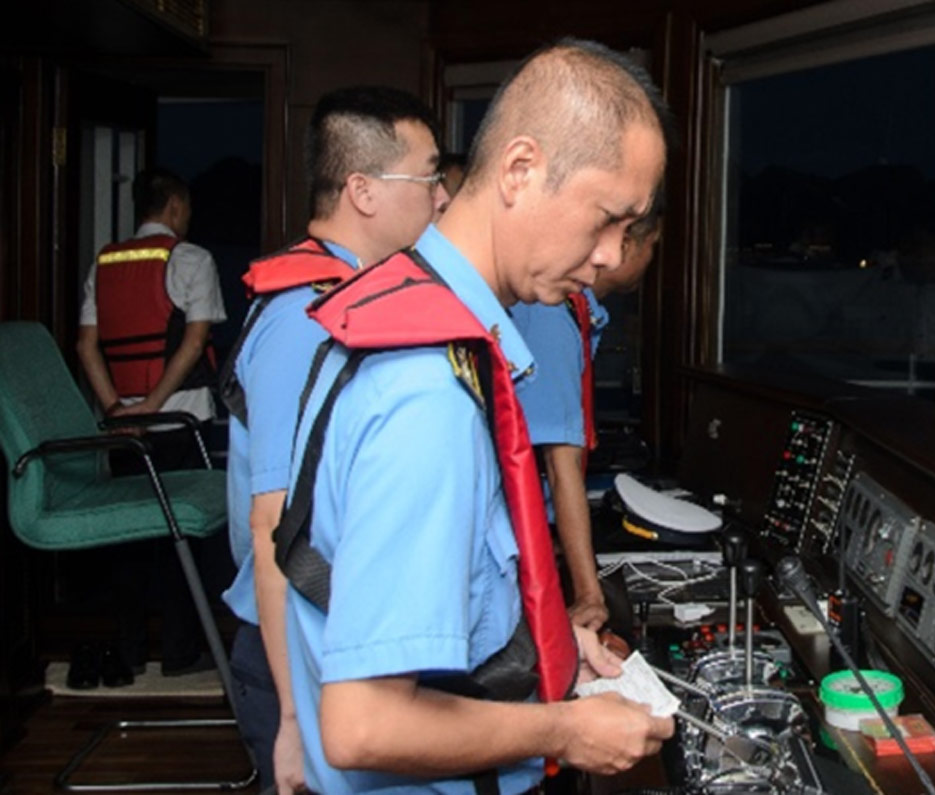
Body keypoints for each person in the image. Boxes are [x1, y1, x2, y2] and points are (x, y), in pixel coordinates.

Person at [281, 39, 673, 793]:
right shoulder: (426, 394)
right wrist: (566, 729)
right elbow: (365, 723)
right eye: (607, 219)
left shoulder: (400, 315)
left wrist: (549, 650)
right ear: (521, 170)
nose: (610, 255)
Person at [222, 86, 448, 793]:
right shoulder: (305, 319)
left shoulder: (346, 299)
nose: (443, 198)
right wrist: (296, 717)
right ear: (363, 190)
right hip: (293, 650)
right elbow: (271, 528)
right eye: (431, 176)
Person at [74, 167, 226, 686]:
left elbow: (85, 346)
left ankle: (132, 651)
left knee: (132, 542)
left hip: (123, 432)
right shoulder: (192, 259)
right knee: (189, 533)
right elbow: (196, 339)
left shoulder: (104, 264)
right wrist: (155, 404)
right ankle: (181, 653)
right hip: (179, 419)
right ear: (177, 207)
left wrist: (117, 407)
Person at [509, 200, 663, 630]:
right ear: (626, 244)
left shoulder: (577, 314)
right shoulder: (551, 318)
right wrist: (590, 595)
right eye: (652, 246)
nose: (651, 260)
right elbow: (561, 467)